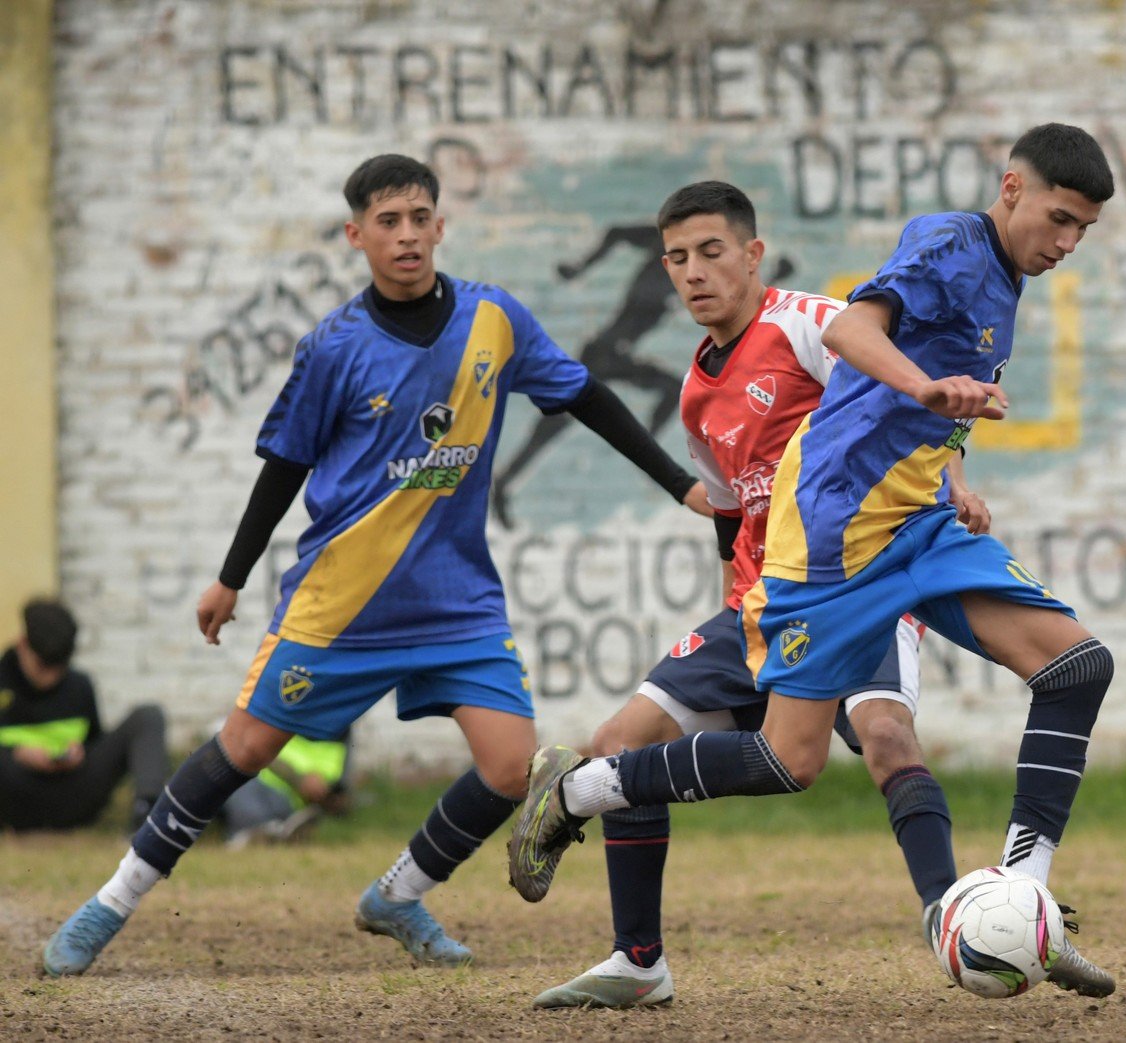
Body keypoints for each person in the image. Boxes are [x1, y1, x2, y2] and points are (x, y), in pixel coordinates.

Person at [42, 153, 710, 977]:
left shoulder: (494, 319)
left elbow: (584, 396)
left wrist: (681, 484)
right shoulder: (333, 347)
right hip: (342, 602)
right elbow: (283, 464)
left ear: (439, 226)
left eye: (418, 218)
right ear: (357, 235)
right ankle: (109, 902)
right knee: (244, 748)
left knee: (510, 766)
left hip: (455, 600)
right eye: (386, 222)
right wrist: (232, 575)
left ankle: (397, 894)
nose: (406, 236)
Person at [511, 124, 1120, 997]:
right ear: (1012, 187)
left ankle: (1023, 896)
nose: (1065, 243)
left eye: (1082, 231)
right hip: (833, 535)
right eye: (1059, 219)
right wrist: (926, 387)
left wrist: (946, 462)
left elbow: (919, 406)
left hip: (913, 522)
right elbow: (854, 329)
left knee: (1075, 668)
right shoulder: (950, 241)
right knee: (783, 760)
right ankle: (579, 790)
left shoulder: (1009, 278)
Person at [0, 599, 167, 833]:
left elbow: (94, 743)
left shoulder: (79, 685)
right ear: (22, 645)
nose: (51, 677)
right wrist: (17, 755)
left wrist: (79, 754)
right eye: (42, 666)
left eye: (59, 666)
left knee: (148, 716)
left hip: (71, 793)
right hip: (14, 795)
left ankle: (147, 818)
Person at [220, 729, 352, 848]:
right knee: (240, 783)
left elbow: (339, 796)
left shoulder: (339, 740)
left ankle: (263, 833)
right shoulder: (278, 722)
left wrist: (323, 791)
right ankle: (265, 833)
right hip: (259, 783)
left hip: (289, 800)